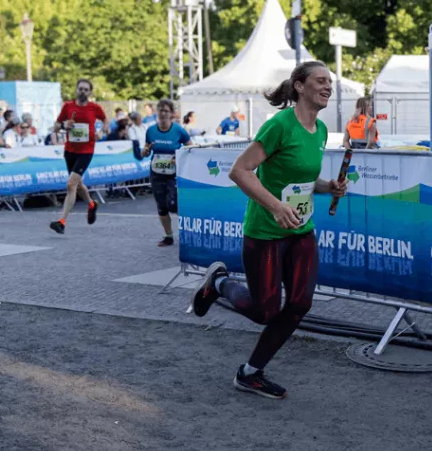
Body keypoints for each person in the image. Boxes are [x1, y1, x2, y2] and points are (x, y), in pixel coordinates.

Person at [191, 61, 347, 399]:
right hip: (266, 232)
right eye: (320, 81)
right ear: (300, 86)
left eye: (330, 83)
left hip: (301, 230)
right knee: (265, 312)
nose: (327, 87)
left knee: (300, 303)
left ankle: (250, 372)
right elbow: (240, 171)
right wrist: (275, 207)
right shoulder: (279, 125)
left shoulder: (319, 130)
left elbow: (301, 180)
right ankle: (218, 283)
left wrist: (327, 187)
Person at [49, 78, 107, 234]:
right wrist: (63, 125)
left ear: (89, 92)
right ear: (76, 90)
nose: (83, 92)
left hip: (86, 150)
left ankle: (61, 221)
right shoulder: (68, 106)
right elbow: (55, 126)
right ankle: (92, 204)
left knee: (70, 185)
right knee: (78, 184)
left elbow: (106, 121)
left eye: (86, 89)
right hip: (70, 150)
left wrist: (101, 132)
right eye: (80, 88)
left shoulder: (94, 108)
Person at [141, 99, 192, 246]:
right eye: (160, 110)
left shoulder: (179, 130)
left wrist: (180, 157)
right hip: (156, 173)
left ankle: (188, 231)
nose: (163, 113)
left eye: (166, 111)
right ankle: (168, 236)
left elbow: (191, 149)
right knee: (161, 206)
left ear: (172, 114)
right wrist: (145, 151)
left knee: (173, 204)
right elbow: (145, 151)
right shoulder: (151, 131)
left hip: (173, 174)